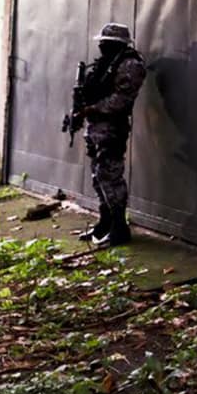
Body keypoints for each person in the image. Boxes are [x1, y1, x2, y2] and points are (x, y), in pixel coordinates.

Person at [75, 22, 147, 247]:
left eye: (107, 43)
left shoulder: (130, 65)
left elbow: (122, 99)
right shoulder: (105, 64)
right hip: (96, 127)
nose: (102, 46)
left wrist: (91, 109)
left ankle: (119, 228)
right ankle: (105, 222)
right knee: (98, 176)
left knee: (110, 177)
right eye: (102, 42)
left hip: (112, 128)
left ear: (118, 44)